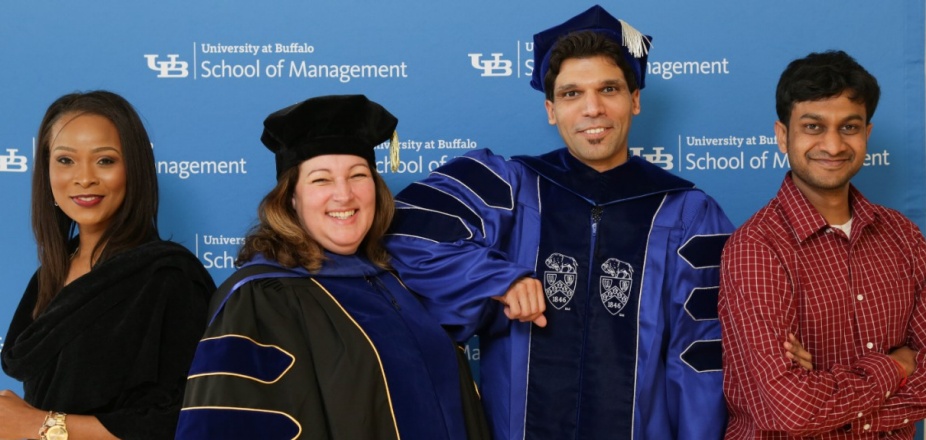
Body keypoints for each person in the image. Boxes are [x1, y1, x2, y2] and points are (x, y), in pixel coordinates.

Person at [383, 5, 734, 439]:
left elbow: (701, 358)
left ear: (635, 100)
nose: (592, 108)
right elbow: (406, 237)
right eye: (571, 94)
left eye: (609, 89)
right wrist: (499, 279)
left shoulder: (687, 215)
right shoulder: (508, 190)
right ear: (551, 109)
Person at [175, 94, 489, 440]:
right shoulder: (263, 301)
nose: (344, 195)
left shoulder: (398, 282)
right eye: (321, 180)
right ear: (291, 198)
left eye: (358, 175)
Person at [719, 50, 926, 439]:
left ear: (867, 134)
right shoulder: (756, 248)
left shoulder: (905, 236)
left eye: (849, 127)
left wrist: (829, 389)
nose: (833, 146)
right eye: (813, 127)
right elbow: (793, 410)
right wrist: (897, 367)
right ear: (783, 135)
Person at [0, 90, 215, 439]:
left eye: (105, 161)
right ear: (46, 169)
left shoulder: (168, 278)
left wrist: (43, 425)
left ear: (134, 168)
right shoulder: (49, 275)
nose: (84, 178)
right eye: (65, 160)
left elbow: (186, 417)